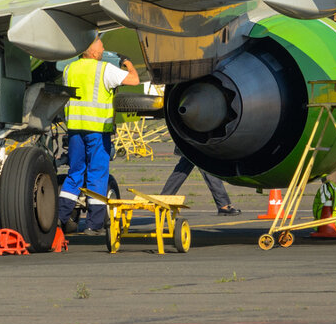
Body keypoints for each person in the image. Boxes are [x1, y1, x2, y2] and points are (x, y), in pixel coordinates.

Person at [58, 37, 140, 233]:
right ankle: (94, 225)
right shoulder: (104, 69)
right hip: (96, 130)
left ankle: (59, 219)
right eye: (101, 45)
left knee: (75, 173)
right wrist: (127, 62)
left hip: (75, 129)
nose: (104, 48)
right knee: (97, 175)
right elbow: (134, 80)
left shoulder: (69, 69)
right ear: (93, 53)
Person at [160, 153, 241, 215]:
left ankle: (164, 199)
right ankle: (223, 204)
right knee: (207, 167)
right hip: (195, 140)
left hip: (190, 139)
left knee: (183, 168)